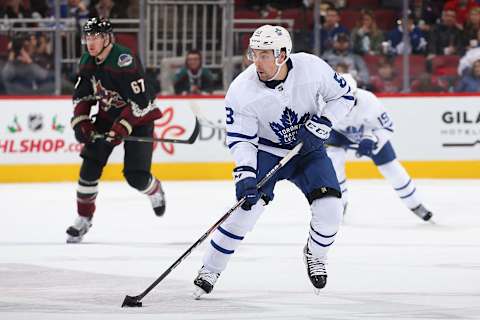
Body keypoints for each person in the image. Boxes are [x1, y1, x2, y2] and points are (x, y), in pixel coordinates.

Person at [192, 25, 355, 298]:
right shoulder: (241, 90)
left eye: (265, 55)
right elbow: (242, 140)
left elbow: (344, 96)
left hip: (308, 150)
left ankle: (315, 255)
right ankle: (210, 268)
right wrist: (245, 175)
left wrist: (324, 122)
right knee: (245, 211)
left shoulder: (311, 68)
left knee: (331, 210)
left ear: (282, 54)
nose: (258, 61)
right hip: (267, 152)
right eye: (255, 54)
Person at [66, 17, 166, 243]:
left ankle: (155, 190)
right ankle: (83, 219)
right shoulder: (87, 61)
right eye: (88, 37)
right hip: (107, 117)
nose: (91, 43)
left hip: (138, 119)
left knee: (136, 177)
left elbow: (141, 102)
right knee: (89, 168)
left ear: (107, 38)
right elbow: (83, 96)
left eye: (96, 37)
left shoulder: (124, 61)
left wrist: (120, 129)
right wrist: (82, 122)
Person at [326, 74, 434, 222]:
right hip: (338, 134)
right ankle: (340, 204)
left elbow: (388, 127)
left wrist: (372, 139)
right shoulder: (323, 101)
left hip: (368, 133)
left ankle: (415, 204)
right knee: (333, 163)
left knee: (392, 169)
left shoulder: (370, 102)